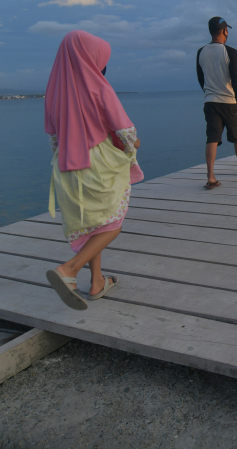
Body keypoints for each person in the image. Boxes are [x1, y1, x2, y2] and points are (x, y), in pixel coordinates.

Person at [44, 30, 144, 311]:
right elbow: (124, 130)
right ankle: (69, 270)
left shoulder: (53, 92)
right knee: (113, 224)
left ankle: (97, 281)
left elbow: (53, 138)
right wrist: (133, 144)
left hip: (65, 166)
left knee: (92, 227)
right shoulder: (99, 87)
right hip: (97, 166)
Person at [197, 16, 237, 189]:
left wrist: (209, 94)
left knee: (212, 138)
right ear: (224, 31)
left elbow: (201, 78)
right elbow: (236, 81)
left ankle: (211, 176)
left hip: (210, 102)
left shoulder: (201, 52)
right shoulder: (231, 52)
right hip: (229, 102)